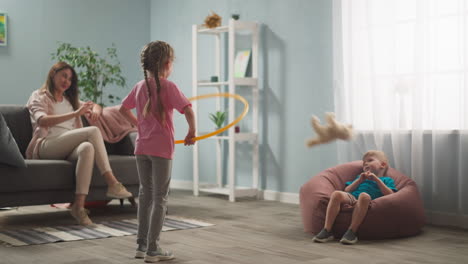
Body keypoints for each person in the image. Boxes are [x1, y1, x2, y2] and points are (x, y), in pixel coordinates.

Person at [26, 61, 133, 226]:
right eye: (63, 76)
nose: (66, 81)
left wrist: (96, 112)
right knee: (92, 132)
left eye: (70, 79)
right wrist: (75, 113)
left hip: (68, 146)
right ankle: (112, 182)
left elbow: (94, 105)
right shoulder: (38, 95)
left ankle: (79, 206)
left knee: (87, 148)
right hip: (46, 145)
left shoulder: (70, 99)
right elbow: (42, 120)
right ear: (53, 74)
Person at [119, 41, 196, 262]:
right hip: (161, 149)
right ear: (167, 63)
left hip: (142, 148)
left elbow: (122, 109)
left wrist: (139, 125)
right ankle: (153, 249)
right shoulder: (169, 87)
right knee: (160, 197)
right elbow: (188, 110)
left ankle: (141, 246)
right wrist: (192, 131)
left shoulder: (139, 86)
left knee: (145, 194)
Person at [313, 150, 398, 245]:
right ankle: (327, 230)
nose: (366, 164)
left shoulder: (386, 180)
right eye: (364, 163)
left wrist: (376, 179)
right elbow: (347, 190)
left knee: (364, 195)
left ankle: (352, 231)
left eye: (370, 160)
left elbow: (390, 194)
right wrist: (359, 180)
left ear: (382, 165)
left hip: (368, 201)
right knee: (336, 194)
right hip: (353, 198)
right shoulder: (360, 177)